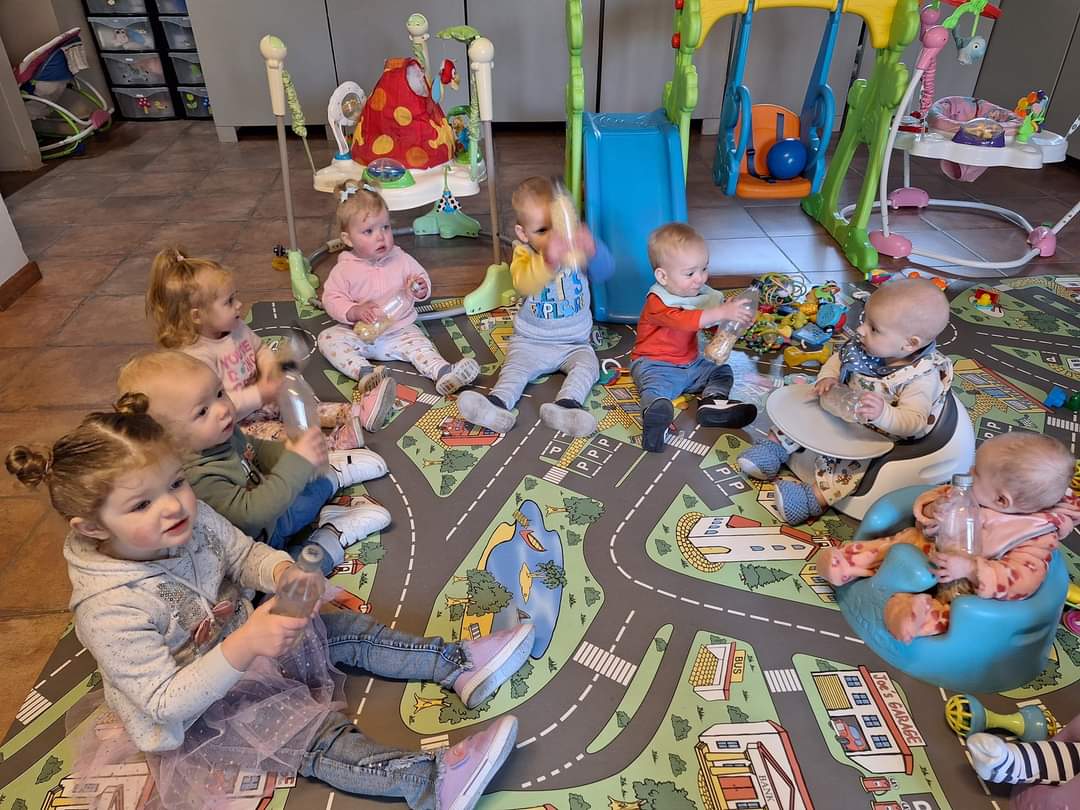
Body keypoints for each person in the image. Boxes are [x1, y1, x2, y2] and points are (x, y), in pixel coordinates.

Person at [4, 399, 534, 810]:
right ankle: (428, 780)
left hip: (243, 638)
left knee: (343, 629)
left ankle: (456, 663)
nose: (173, 505)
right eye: (142, 503)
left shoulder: (189, 517)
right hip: (203, 711)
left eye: (176, 482)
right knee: (312, 733)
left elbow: (243, 554)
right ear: (93, 528)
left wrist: (281, 572)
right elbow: (164, 702)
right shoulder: (108, 609)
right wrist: (245, 645)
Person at [118, 351, 388, 575]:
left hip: (268, 504)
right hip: (260, 538)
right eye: (202, 411)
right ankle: (333, 524)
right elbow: (252, 514)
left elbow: (255, 450)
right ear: (167, 437)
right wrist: (297, 463)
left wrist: (289, 454)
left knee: (303, 481)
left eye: (220, 393)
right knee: (300, 568)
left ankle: (331, 475)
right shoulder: (194, 477)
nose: (223, 409)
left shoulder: (218, 433)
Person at [818, 432, 1079, 642]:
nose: (969, 472)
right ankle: (847, 563)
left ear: (1001, 500)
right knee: (898, 541)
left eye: (976, 473)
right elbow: (932, 498)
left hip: (963, 585)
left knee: (960, 614)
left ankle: (911, 615)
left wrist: (971, 570)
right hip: (927, 549)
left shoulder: (1035, 536)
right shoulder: (971, 493)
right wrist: (935, 509)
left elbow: (1022, 580)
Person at [738, 278, 954, 524]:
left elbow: (914, 421)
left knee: (849, 468)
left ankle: (812, 499)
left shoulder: (920, 378)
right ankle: (772, 448)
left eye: (874, 328)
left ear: (910, 343)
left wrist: (883, 414)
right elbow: (838, 361)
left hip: (874, 432)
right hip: (844, 403)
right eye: (865, 320)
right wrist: (828, 377)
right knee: (800, 408)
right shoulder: (866, 347)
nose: (861, 329)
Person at [146, 246, 396, 443]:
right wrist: (260, 393)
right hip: (237, 423)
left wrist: (269, 370)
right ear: (197, 316)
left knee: (303, 404)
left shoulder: (235, 327)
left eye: (235, 297)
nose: (239, 305)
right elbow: (218, 407)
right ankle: (332, 444)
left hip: (265, 398)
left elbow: (259, 348)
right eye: (229, 302)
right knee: (281, 439)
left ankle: (357, 412)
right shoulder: (195, 360)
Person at [457, 176, 615, 437]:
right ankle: (496, 405)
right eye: (542, 231)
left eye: (559, 227)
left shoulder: (577, 248)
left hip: (574, 342)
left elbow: (604, 273)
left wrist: (594, 250)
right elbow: (524, 284)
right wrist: (548, 261)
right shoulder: (524, 254)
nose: (555, 238)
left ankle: (567, 407)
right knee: (515, 370)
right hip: (531, 341)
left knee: (588, 367)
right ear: (523, 233)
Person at [317, 186, 480, 397]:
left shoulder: (401, 259)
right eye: (368, 231)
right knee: (327, 339)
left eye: (385, 227)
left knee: (421, 346)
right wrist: (353, 311)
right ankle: (364, 372)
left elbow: (421, 278)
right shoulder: (344, 269)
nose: (381, 237)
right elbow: (332, 298)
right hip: (359, 333)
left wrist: (420, 287)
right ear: (348, 239)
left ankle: (443, 372)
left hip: (400, 331)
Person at [631, 223, 758, 452]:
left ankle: (713, 402)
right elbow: (686, 320)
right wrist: (720, 312)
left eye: (704, 268)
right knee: (655, 390)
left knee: (721, 370)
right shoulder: (657, 302)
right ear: (663, 276)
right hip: (655, 365)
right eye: (690, 273)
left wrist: (733, 318)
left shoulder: (697, 293)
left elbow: (710, 321)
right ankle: (655, 416)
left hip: (692, 363)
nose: (700, 279)